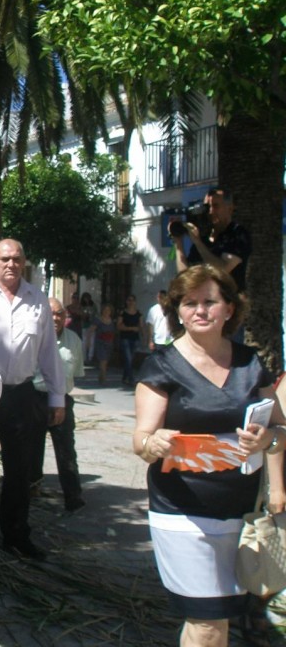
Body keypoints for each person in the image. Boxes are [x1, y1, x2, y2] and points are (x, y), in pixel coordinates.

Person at [134, 264, 284, 647]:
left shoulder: (250, 363)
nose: (200, 310)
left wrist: (267, 439)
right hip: (182, 512)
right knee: (208, 623)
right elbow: (141, 439)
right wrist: (153, 444)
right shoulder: (161, 365)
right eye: (189, 303)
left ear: (229, 309)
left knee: (216, 623)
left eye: (209, 302)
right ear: (178, 311)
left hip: (242, 513)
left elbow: (281, 431)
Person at [0, 238, 65, 561]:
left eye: (17, 259)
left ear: (24, 262)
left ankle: (16, 536)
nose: (11, 264)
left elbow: (48, 351)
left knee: (20, 471)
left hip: (21, 395)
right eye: (5, 259)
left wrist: (57, 397)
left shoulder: (37, 300)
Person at [30, 298, 86, 512]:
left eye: (59, 313)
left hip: (62, 399)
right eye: (51, 313)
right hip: (35, 398)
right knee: (33, 447)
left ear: (65, 316)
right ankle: (32, 488)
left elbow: (76, 373)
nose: (55, 318)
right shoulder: (32, 338)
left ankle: (73, 496)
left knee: (66, 450)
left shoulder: (74, 340)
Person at [173, 186, 251, 293]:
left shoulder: (238, 233)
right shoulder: (203, 239)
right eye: (207, 207)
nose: (210, 212)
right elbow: (186, 277)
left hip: (228, 300)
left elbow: (222, 270)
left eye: (215, 206)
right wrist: (178, 242)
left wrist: (198, 242)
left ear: (230, 208)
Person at [117, 294, 143, 386]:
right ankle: (131, 378)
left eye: (133, 300)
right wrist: (131, 328)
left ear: (135, 302)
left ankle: (125, 377)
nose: (131, 302)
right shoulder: (123, 313)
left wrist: (144, 336)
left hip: (135, 338)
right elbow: (119, 326)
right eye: (129, 300)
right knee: (128, 358)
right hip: (125, 338)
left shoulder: (138, 313)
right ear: (126, 301)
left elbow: (141, 326)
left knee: (130, 359)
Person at [91, 304, 117, 384]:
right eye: (105, 310)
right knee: (103, 360)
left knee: (106, 360)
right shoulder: (98, 320)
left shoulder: (112, 321)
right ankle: (103, 376)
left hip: (109, 343)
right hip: (101, 343)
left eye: (108, 310)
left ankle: (101, 375)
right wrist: (88, 342)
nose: (106, 312)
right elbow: (91, 330)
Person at [80, 293, 98, 361]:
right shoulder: (81, 306)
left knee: (92, 341)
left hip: (92, 325)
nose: (86, 299)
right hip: (84, 325)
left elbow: (96, 314)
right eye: (85, 298)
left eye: (88, 298)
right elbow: (80, 314)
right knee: (84, 341)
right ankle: (84, 357)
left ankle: (90, 357)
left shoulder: (93, 305)